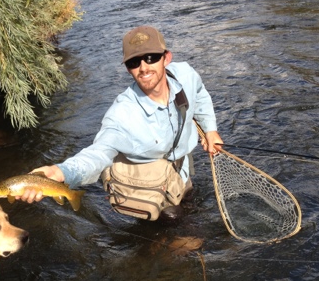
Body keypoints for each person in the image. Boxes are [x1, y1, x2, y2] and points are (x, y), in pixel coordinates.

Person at [19, 25, 223, 220]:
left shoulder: (186, 75)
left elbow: (200, 95)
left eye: (151, 58)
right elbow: (99, 153)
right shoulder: (122, 114)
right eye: (134, 62)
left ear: (166, 58)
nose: (144, 68)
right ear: (128, 69)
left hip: (183, 170)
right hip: (147, 185)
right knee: (177, 232)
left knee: (188, 207)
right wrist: (60, 172)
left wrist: (210, 129)